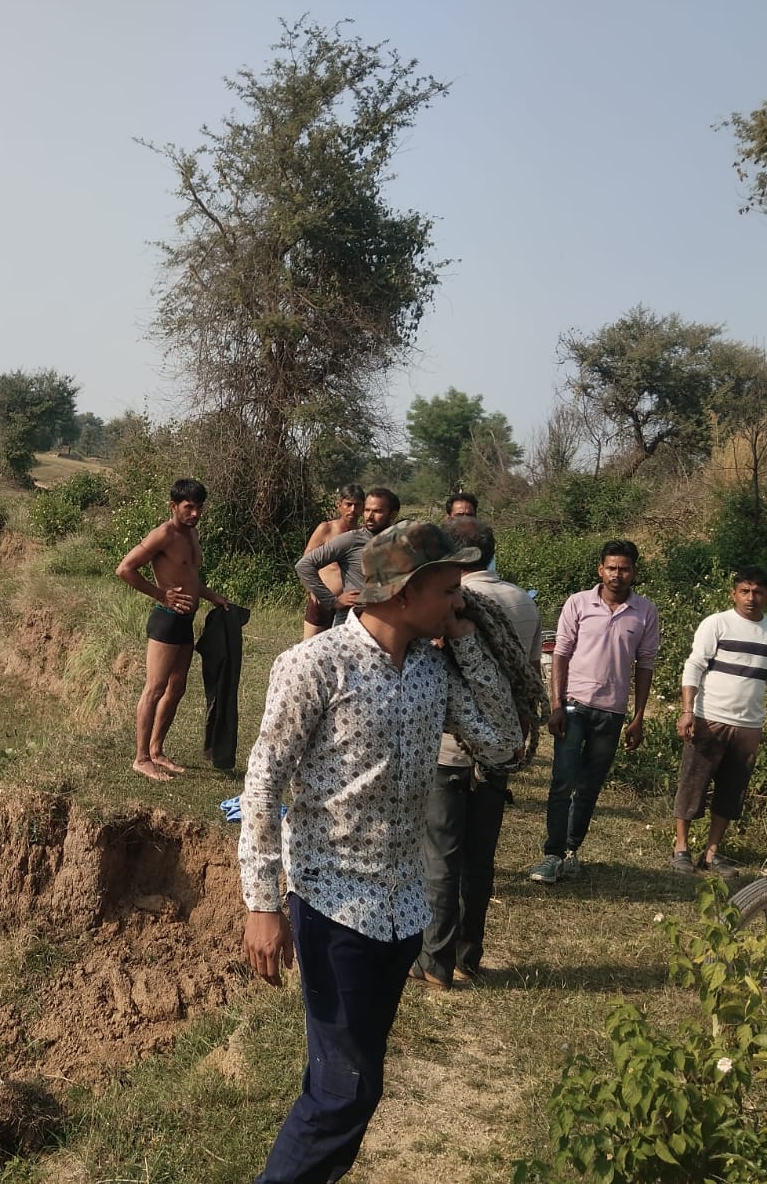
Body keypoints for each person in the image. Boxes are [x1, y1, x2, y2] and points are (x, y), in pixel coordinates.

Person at [239, 522, 521, 1183]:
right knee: (345, 1092)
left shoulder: (434, 672)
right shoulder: (313, 665)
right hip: (332, 904)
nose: (460, 603)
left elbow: (503, 743)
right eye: (450, 592)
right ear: (403, 593)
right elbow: (263, 779)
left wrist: (468, 645)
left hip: (402, 914)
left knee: (350, 1082)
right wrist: (261, 903)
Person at [413, 516, 542, 989]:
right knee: (479, 859)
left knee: (441, 858)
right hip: (496, 756)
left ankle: (435, 962)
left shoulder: (444, 604)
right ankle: (469, 954)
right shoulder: (523, 601)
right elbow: (528, 674)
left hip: (448, 752)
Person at [529, 539, 660, 884]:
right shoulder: (578, 603)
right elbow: (561, 654)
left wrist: (638, 716)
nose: (618, 575)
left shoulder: (645, 611)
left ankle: (571, 851)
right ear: (600, 570)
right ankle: (551, 855)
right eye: (612, 568)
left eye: (625, 568)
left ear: (634, 572)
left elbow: (645, 664)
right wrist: (556, 705)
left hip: (611, 713)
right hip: (574, 707)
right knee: (562, 782)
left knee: (589, 787)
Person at [670, 567, 767, 877]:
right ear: (733, 593)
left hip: (749, 725)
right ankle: (681, 847)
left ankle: (712, 853)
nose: (752, 598)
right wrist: (687, 711)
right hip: (710, 717)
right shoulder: (717, 623)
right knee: (693, 782)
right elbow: (694, 666)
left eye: (758, 591)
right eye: (745, 591)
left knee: (732, 790)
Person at [115, 478, 229, 781]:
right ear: (173, 506)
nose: (195, 513)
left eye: (199, 507)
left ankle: (156, 751)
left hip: (185, 622)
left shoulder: (192, 535)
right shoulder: (163, 534)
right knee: (154, 689)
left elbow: (189, 577)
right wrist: (159, 594)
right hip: (165, 619)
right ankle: (140, 758)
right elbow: (125, 569)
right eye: (188, 507)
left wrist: (212, 596)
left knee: (176, 688)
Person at [294, 487, 399, 631]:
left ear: (393, 514)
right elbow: (305, 564)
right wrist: (331, 601)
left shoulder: (402, 543)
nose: (369, 516)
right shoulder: (351, 539)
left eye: (377, 511)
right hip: (350, 622)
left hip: (387, 622)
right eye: (367, 510)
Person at [298, 484, 364, 641]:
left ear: (363, 508)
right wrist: (312, 591)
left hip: (350, 605)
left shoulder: (363, 536)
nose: (352, 510)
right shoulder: (326, 529)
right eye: (348, 504)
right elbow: (306, 561)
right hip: (323, 601)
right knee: (311, 648)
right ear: (339, 505)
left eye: (357, 505)